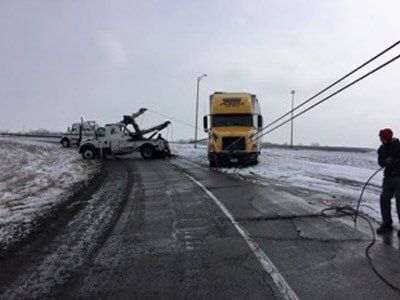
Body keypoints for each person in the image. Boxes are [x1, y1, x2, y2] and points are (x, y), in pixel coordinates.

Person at [377, 128, 400, 235]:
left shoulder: (398, 146)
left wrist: (395, 160)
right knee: (384, 200)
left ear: (387, 137)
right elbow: (381, 162)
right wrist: (386, 161)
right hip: (388, 178)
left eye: (381, 137)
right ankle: (386, 224)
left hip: (398, 178)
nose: (380, 139)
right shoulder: (382, 149)